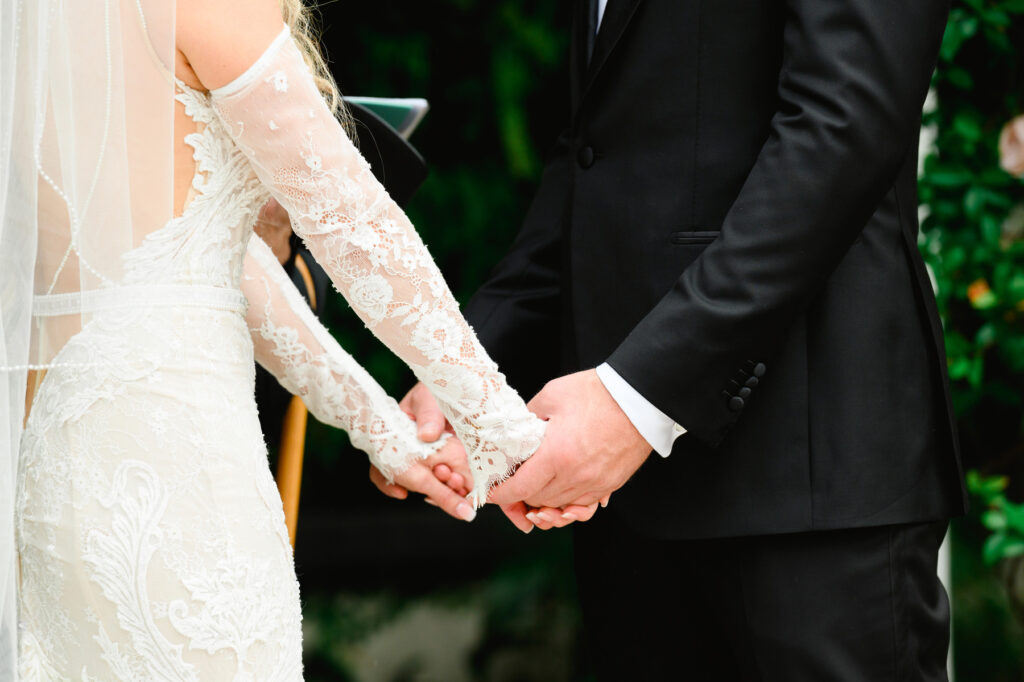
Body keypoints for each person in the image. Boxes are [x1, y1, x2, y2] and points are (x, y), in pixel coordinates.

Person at [0, 0, 600, 677]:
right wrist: (507, 434)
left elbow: (193, 253)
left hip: (53, 464)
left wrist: (381, 428)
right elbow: (354, 223)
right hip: (174, 474)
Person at [386, 0, 969, 679]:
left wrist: (635, 401)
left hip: (808, 480)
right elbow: (597, 156)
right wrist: (465, 368)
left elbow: (846, 128)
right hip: (627, 505)